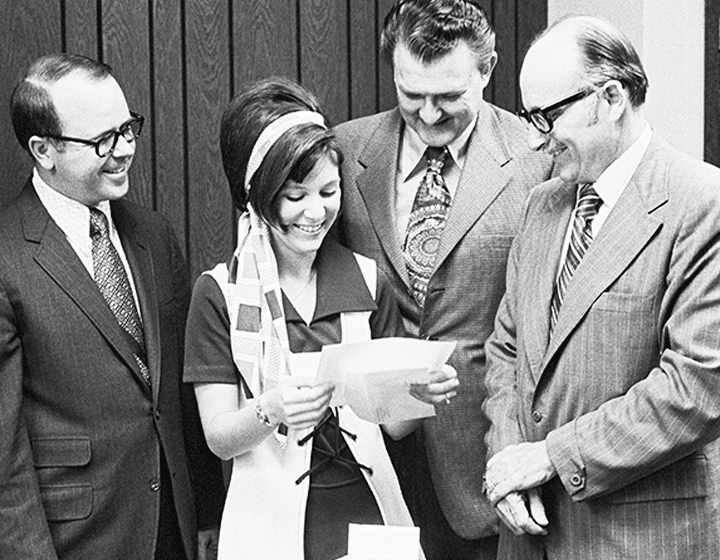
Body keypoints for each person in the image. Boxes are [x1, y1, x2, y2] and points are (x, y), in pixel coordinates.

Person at [183, 76, 458, 560]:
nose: (317, 211)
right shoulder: (220, 293)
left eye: (329, 191)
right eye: (295, 196)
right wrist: (271, 409)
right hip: (265, 524)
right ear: (258, 198)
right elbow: (219, 439)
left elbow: (395, 429)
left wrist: (419, 395)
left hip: (368, 515)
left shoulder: (368, 280)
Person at [482, 15, 720, 559]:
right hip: (530, 537)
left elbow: (698, 386)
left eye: (548, 116)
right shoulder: (544, 204)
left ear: (610, 98)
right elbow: (506, 350)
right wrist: (508, 458)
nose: (539, 140)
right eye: (529, 117)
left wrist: (551, 457)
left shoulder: (702, 205)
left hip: (640, 538)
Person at [334, 1, 553, 557]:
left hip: (483, 452)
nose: (429, 115)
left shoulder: (537, 159)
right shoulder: (344, 151)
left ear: (487, 70)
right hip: (368, 451)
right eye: (412, 95)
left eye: (449, 97)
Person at [0, 53, 225, 560]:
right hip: (75, 541)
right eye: (103, 140)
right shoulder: (6, 258)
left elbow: (181, 394)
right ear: (43, 150)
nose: (125, 150)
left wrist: (207, 512)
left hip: (175, 527)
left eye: (128, 128)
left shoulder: (154, 235)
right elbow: (3, 454)